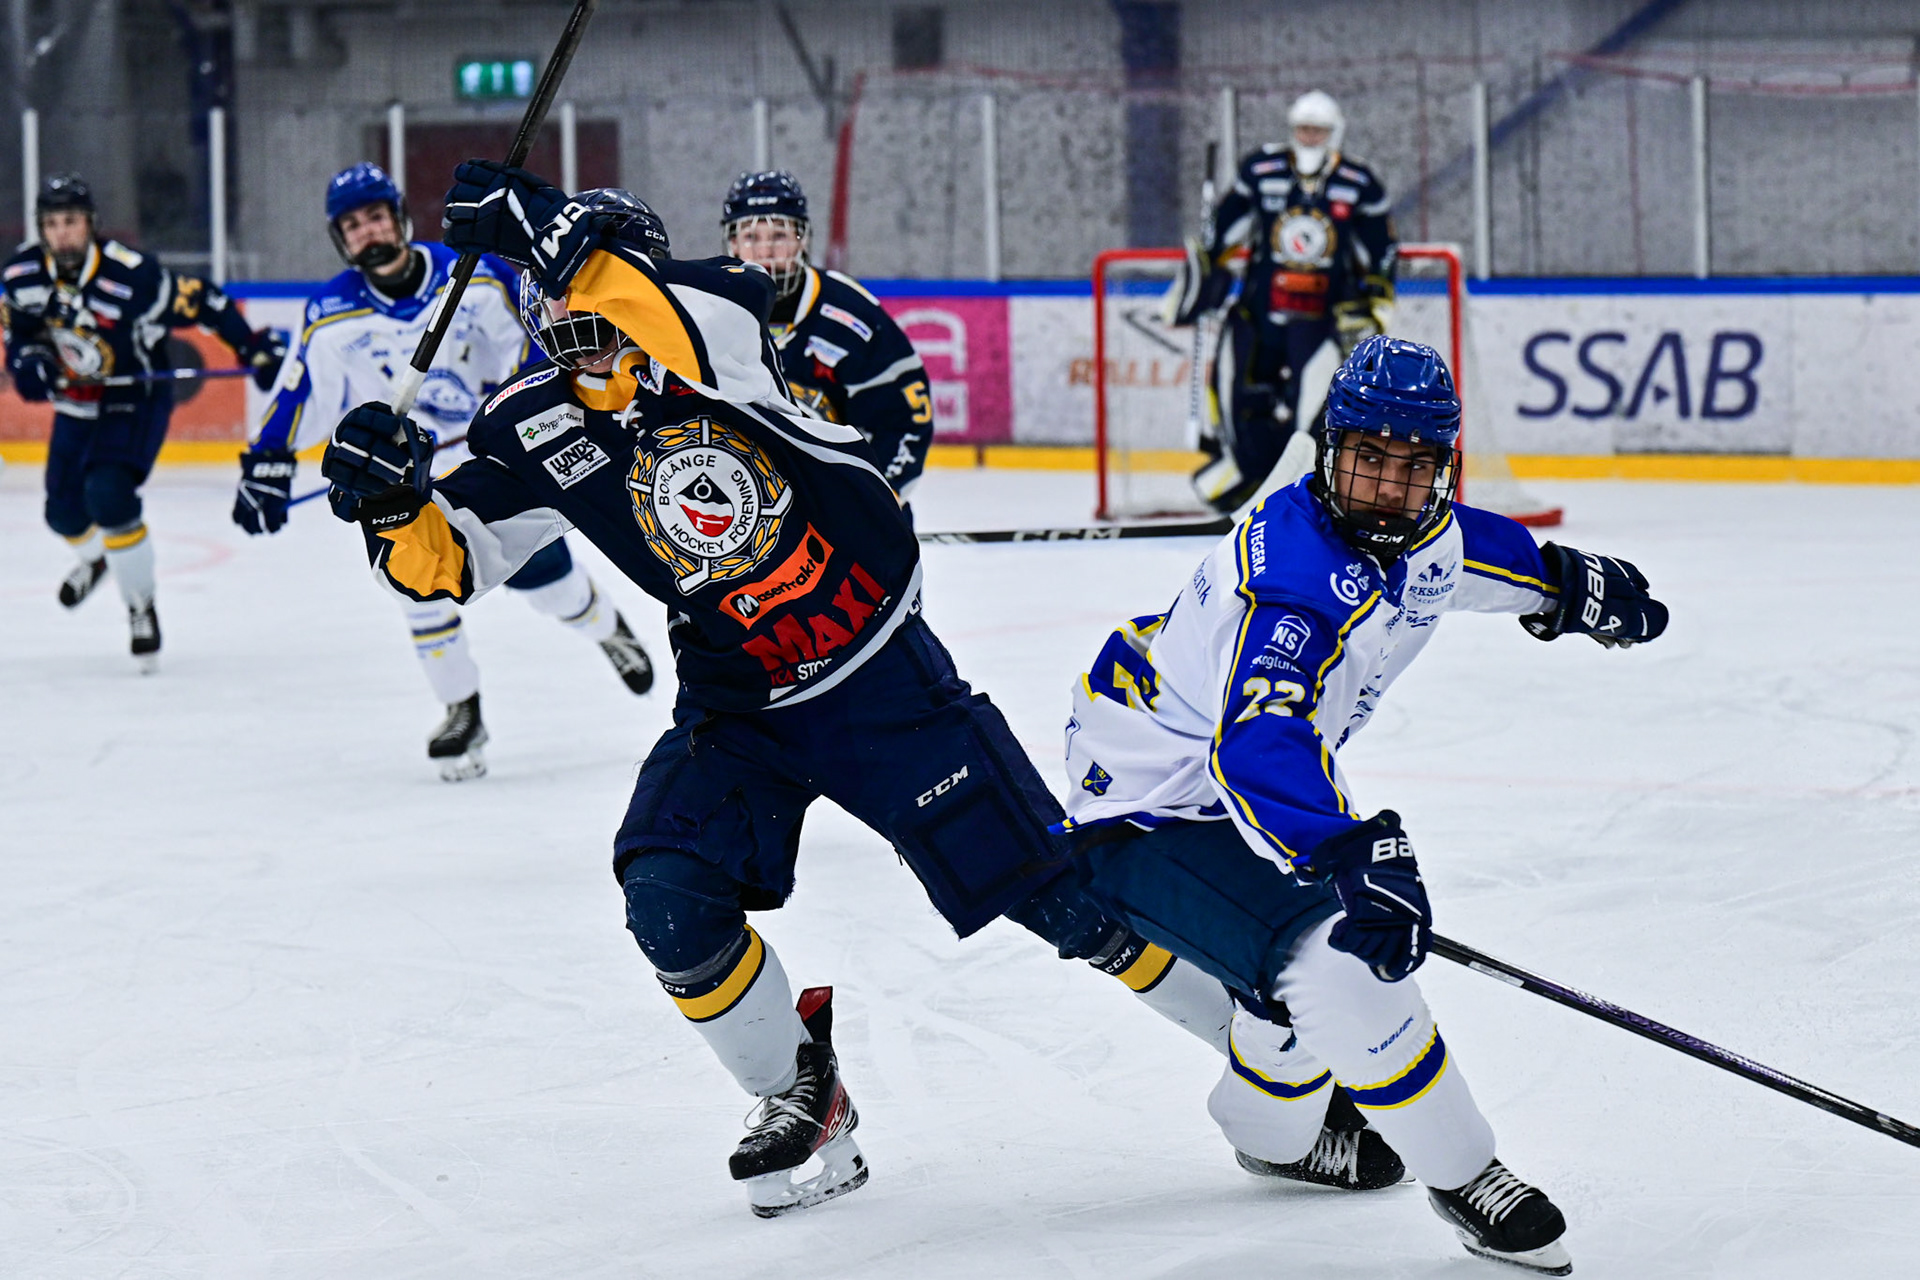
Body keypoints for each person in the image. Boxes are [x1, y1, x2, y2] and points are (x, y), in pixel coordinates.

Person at [319, 169, 1266, 1218]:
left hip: (878, 679)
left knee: (1063, 897)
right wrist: (394, 504)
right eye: (555, 290)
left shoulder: (722, 323)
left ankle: (1275, 1059)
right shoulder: (528, 420)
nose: (571, 309)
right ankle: (799, 1092)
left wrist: (554, 229)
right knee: (668, 897)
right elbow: (447, 567)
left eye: (588, 280)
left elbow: (675, 312)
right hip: (738, 706)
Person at [1059, 336, 1670, 1274]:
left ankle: (1272, 1101)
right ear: (1330, 450)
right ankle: (1466, 1175)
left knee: (1291, 1015)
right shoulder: (1296, 584)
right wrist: (1346, 851)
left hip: (1230, 778)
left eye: (1415, 466)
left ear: (1443, 469)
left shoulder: (1422, 532)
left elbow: (1473, 554)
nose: (1389, 487)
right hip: (1149, 804)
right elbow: (1256, 744)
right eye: (1369, 458)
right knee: (1332, 961)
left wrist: (1563, 587)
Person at [233, 163, 654, 780]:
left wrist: (524, 412)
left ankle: (604, 626)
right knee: (418, 591)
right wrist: (266, 460)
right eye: (352, 225)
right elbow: (301, 392)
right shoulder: (330, 312)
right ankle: (462, 709)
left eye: (375, 216)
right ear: (339, 238)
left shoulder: (472, 274)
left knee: (551, 586)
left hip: (496, 469)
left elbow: (537, 349)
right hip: (404, 481)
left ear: (400, 217)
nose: (367, 231)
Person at [2, 173, 286, 670]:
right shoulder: (24, 275)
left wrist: (251, 346)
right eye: (52, 223)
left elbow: (205, 300)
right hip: (78, 402)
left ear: (90, 224)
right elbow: (22, 336)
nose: (62, 233)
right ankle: (99, 559)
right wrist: (29, 362)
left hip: (135, 395)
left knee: (108, 495)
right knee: (62, 513)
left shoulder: (132, 276)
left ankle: (140, 605)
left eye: (71, 221)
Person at [1170, 90, 1397, 515]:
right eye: (1303, 129)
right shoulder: (1262, 169)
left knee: (1313, 406)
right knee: (1242, 397)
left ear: (1334, 132)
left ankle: (1304, 489)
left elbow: (1380, 250)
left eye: (1318, 130)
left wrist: (1374, 301)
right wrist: (1207, 271)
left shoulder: (1358, 181)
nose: (1310, 137)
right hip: (1259, 312)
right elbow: (1225, 230)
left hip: (1321, 319)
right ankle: (1248, 480)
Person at [720, 170, 934, 506]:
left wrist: (879, 499)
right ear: (732, 243)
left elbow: (904, 417)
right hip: (745, 507)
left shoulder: (850, 315)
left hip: (846, 503)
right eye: (750, 236)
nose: (765, 250)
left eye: (779, 235)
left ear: (802, 239)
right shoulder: (710, 314)